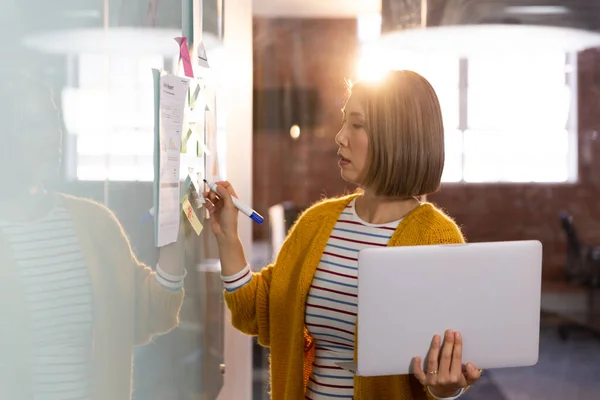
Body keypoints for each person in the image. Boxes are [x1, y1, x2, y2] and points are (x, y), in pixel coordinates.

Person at [203, 70, 482, 399]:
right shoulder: (317, 222)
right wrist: (228, 237)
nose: (339, 136)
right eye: (343, 121)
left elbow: (446, 364)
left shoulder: (439, 238)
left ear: (396, 136)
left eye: (356, 124)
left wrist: (447, 390)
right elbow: (258, 312)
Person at [0, 72, 186, 399]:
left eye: (54, 121)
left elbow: (154, 311)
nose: (53, 136)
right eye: (33, 125)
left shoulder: (94, 224)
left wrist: (173, 230)